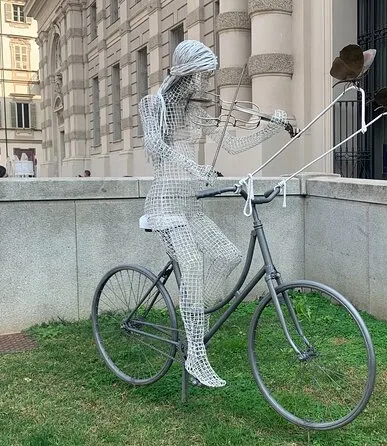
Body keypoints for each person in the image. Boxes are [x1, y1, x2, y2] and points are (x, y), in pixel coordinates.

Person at [139, 40, 288, 387]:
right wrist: (195, 168)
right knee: (192, 263)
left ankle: (196, 312)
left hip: (190, 207)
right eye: (204, 75)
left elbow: (231, 143)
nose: (207, 82)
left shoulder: (196, 111)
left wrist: (270, 128)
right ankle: (195, 354)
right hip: (164, 205)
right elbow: (155, 146)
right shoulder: (154, 104)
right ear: (188, 73)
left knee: (228, 255)